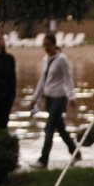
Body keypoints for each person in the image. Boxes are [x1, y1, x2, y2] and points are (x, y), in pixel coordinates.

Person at [29, 33, 80, 168]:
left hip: (60, 98)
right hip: (49, 98)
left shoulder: (62, 59)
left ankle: (43, 160)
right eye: (44, 45)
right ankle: (76, 153)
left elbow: (68, 78)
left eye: (48, 45)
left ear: (54, 44)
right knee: (61, 129)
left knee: (49, 128)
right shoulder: (45, 59)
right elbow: (43, 80)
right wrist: (34, 98)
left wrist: (72, 96)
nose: (46, 48)